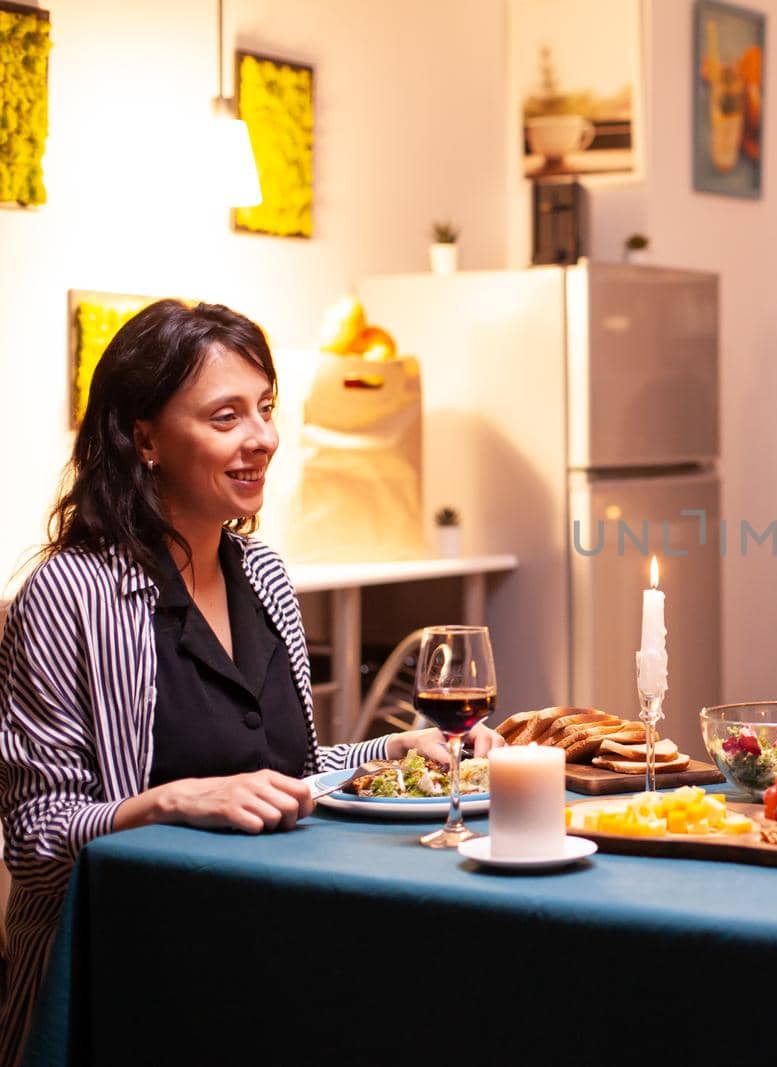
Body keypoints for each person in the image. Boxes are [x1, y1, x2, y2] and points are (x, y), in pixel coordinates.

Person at [0, 301, 501, 1063]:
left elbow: (285, 775)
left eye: (265, 408)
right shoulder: (68, 595)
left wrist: (393, 751)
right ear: (144, 439)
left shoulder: (263, 576)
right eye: (225, 415)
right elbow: (35, 839)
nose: (262, 437)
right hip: (128, 977)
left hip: (270, 946)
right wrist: (164, 803)